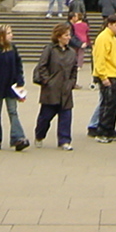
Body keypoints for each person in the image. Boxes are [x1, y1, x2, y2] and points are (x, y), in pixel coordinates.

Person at [34, 21, 79, 149]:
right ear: (59, 36)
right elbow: (42, 66)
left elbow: (74, 69)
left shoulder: (71, 52)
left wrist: (72, 82)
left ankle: (64, 140)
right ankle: (39, 135)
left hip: (66, 89)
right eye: (66, 35)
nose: (69, 38)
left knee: (66, 116)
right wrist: (47, 81)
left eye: (69, 35)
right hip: (51, 89)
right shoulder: (50, 49)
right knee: (45, 117)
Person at [0, 24, 30, 151]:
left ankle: (18, 138)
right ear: (1, 36)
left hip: (11, 86)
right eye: (9, 33)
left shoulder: (12, 48)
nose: (12, 35)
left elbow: (18, 65)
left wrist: (20, 82)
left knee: (13, 112)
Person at [92, 14, 116, 142]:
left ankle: (110, 129)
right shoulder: (103, 38)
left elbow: (115, 54)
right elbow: (99, 58)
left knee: (114, 104)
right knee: (107, 104)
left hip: (114, 74)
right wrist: (102, 76)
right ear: (109, 24)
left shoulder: (113, 38)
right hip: (108, 75)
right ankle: (102, 131)